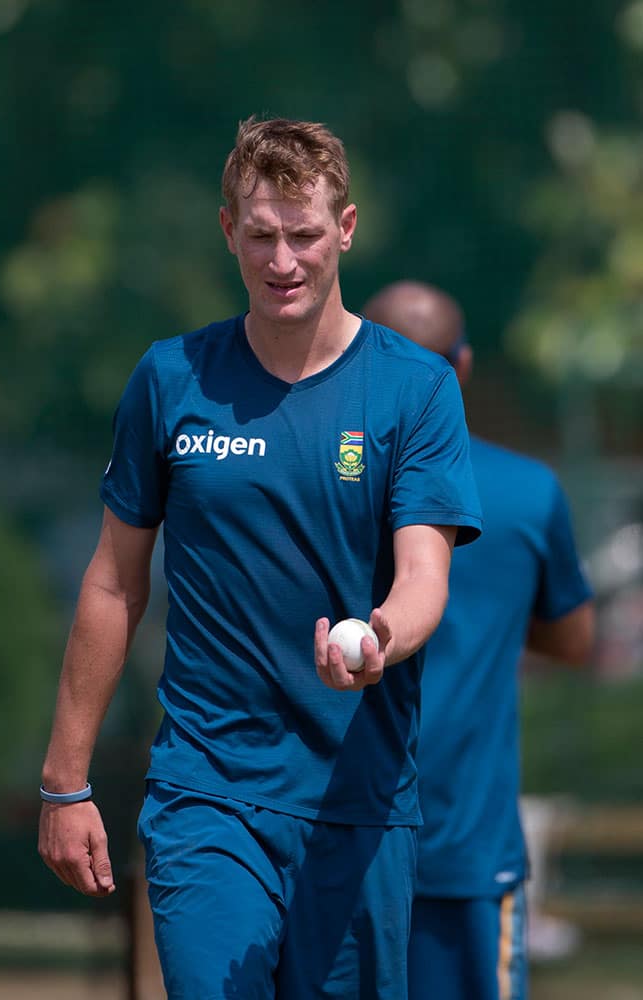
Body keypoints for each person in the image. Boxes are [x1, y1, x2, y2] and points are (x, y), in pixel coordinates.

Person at [38, 119, 482, 999]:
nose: (283, 261)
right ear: (227, 230)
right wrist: (64, 781)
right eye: (261, 235)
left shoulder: (415, 388)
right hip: (207, 794)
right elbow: (113, 582)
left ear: (345, 229)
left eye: (305, 235)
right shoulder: (170, 380)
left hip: (359, 802)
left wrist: (382, 636)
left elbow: (424, 573)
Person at [362, 280, 595, 1000]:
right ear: (460, 366)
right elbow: (573, 641)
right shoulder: (527, 491)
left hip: (331, 842)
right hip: (465, 844)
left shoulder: (319, 477)